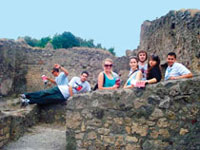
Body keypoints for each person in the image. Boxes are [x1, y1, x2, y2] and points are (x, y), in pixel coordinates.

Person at [20, 71, 91, 106]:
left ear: (87, 78)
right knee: (44, 93)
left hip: (63, 96)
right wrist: (72, 97)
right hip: (60, 89)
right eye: (83, 76)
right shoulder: (75, 78)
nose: (84, 77)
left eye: (86, 77)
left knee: (46, 99)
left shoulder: (86, 85)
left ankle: (28, 101)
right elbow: (70, 87)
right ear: (80, 75)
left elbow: (90, 92)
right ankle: (26, 95)